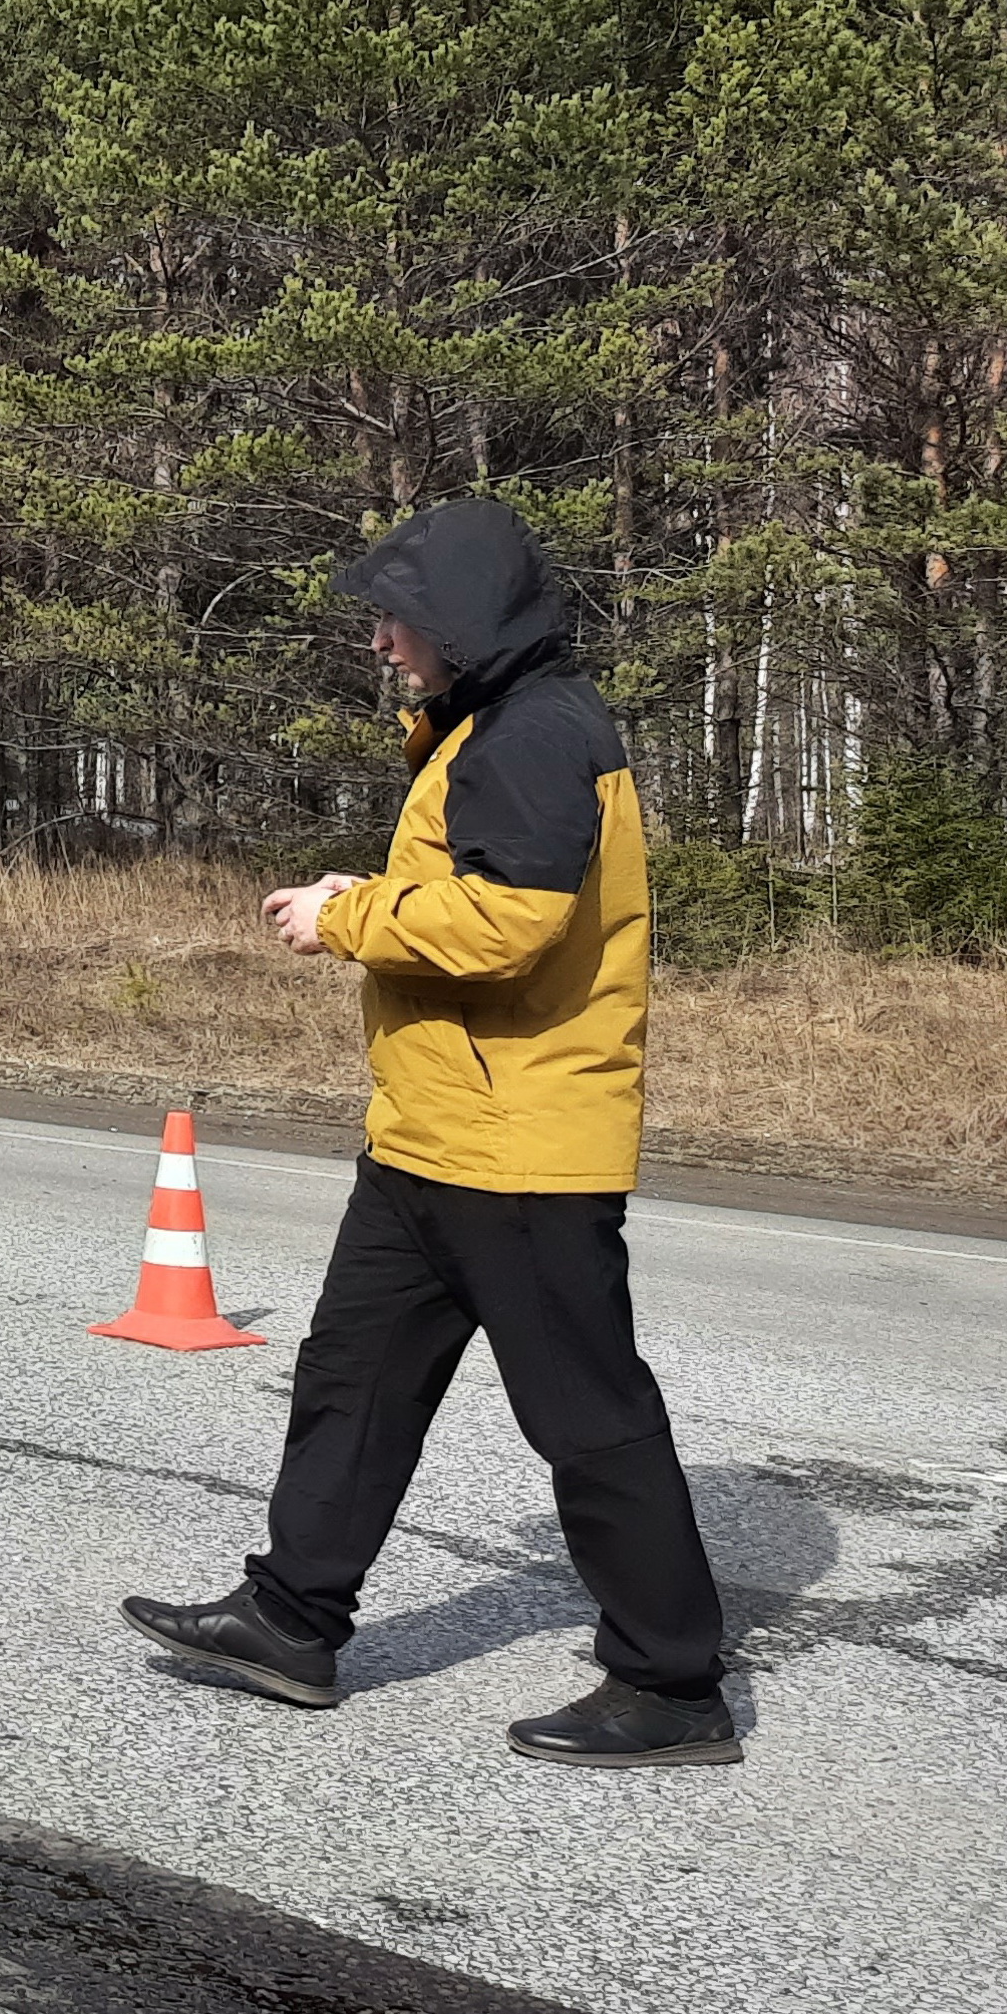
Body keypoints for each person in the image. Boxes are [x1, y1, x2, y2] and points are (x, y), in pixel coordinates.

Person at [125, 495, 739, 1768]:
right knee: (353, 1381)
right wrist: (377, 891)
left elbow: (512, 926)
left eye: (395, 620)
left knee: (588, 1415)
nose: (381, 643)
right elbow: (481, 891)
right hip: (434, 1137)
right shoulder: (488, 725)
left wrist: (346, 923)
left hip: (519, 1145)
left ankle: (672, 1686)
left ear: (461, 619)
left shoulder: (533, 732)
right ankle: (292, 1619)